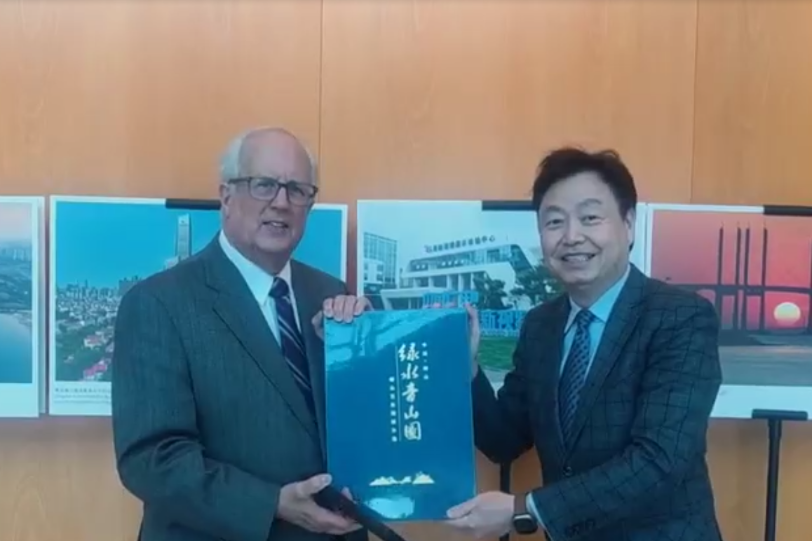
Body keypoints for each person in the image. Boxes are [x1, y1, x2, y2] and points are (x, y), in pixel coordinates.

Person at [445, 148, 724, 541]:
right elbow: (503, 440)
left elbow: (659, 460)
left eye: (590, 218)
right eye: (554, 222)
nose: (572, 236)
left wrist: (526, 508)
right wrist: (467, 368)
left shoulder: (680, 317)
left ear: (628, 224)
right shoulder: (540, 325)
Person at [111, 127, 371, 541]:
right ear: (226, 196)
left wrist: (369, 349)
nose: (281, 202)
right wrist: (272, 504)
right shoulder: (158, 303)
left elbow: (359, 422)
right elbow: (151, 459)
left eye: (297, 190)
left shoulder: (332, 294)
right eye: (263, 184)